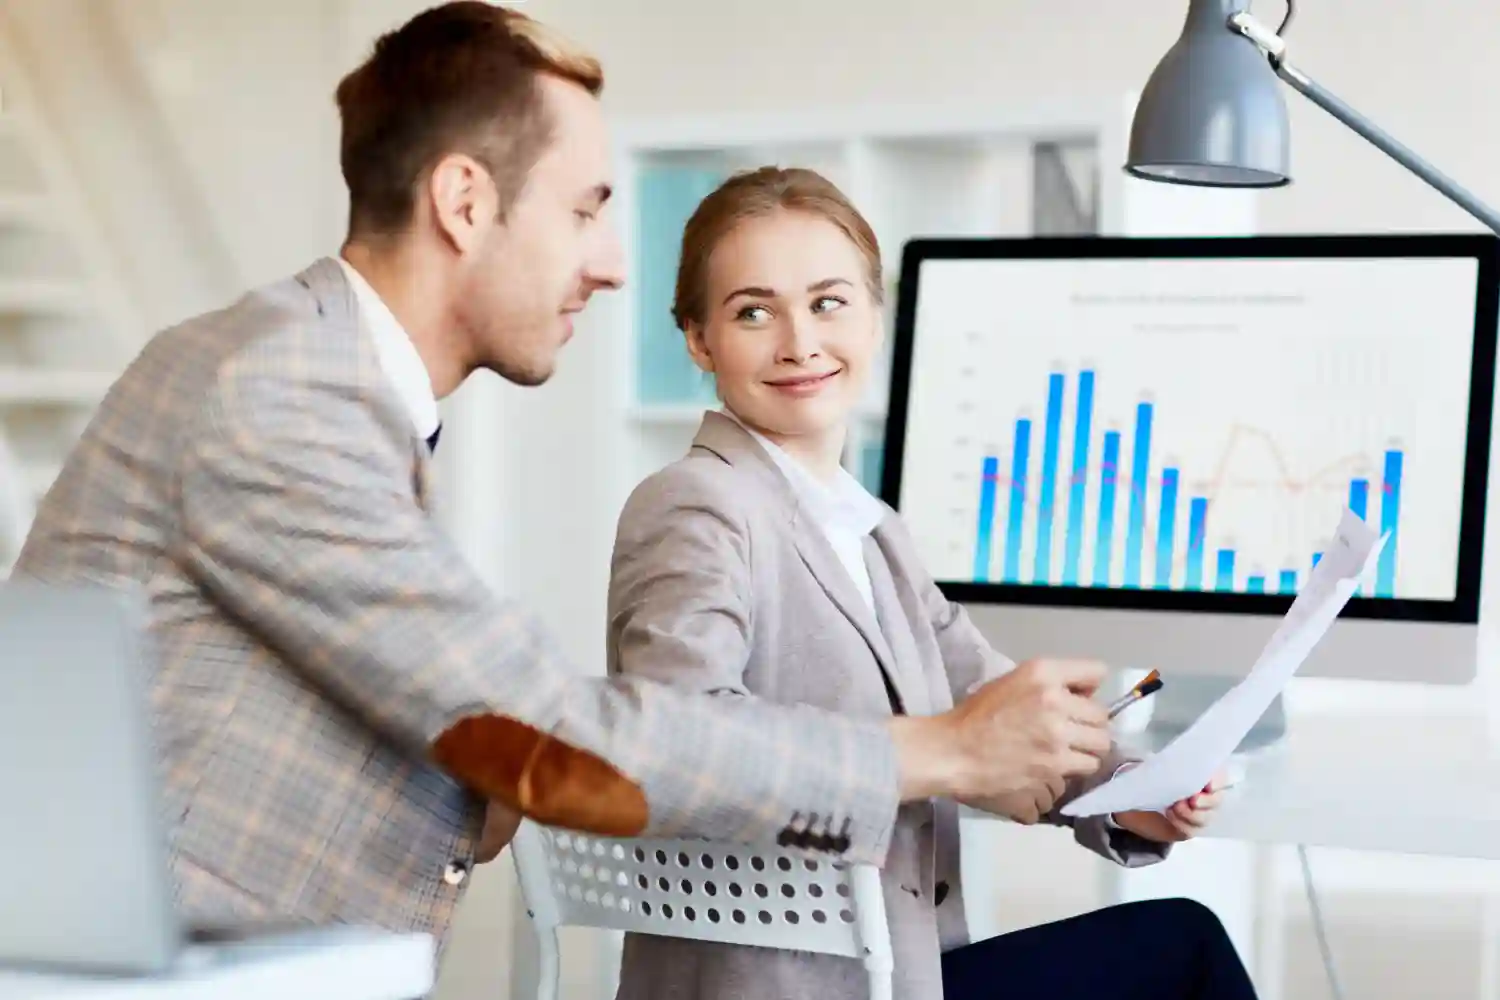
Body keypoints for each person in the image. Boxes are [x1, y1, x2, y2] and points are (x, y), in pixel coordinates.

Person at [11, 2, 1116, 952]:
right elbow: (553, 741)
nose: (613, 260)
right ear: (464, 201)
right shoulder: (281, 393)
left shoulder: (316, 382)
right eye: (585, 209)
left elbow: (499, 736)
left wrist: (506, 758)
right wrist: (939, 750)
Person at [606, 166, 1257, 1000]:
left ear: (876, 317)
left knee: (1175, 938)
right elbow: (682, 738)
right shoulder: (695, 502)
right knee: (1183, 946)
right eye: (753, 311)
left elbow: (997, 708)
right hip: (793, 985)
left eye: (829, 302)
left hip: (900, 970)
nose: (800, 341)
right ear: (698, 339)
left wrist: (1135, 798)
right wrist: (943, 756)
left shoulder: (872, 533)